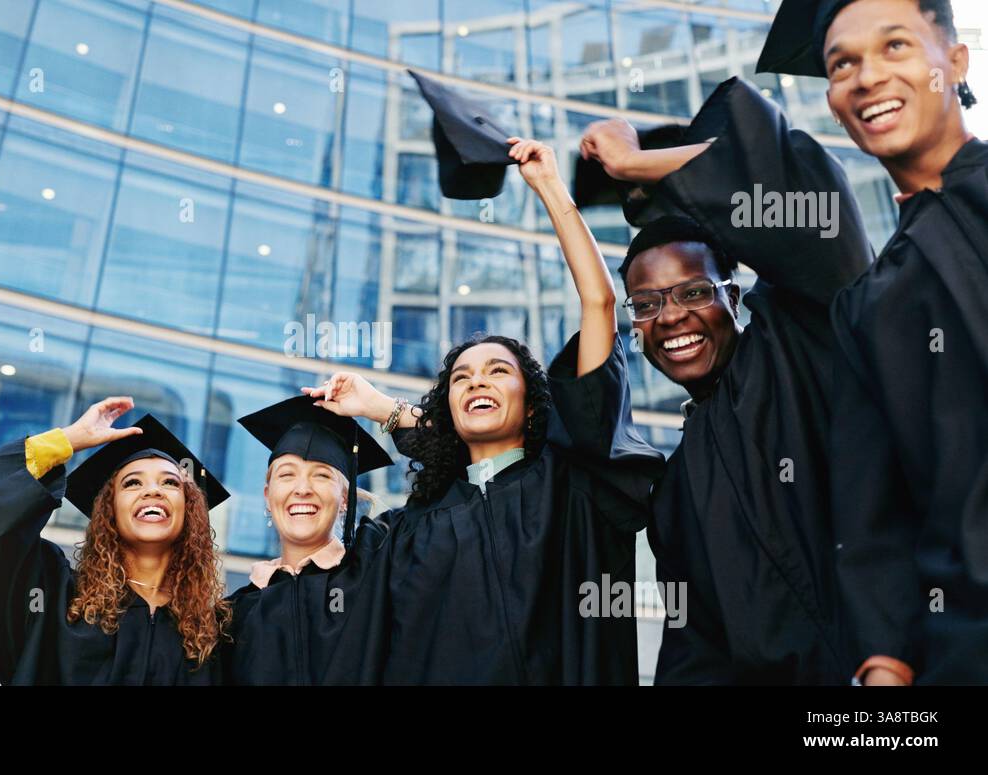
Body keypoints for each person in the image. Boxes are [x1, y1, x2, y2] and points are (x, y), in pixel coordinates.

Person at [304, 132, 665, 684]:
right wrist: (378, 407)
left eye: (499, 371)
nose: (478, 382)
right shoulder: (412, 530)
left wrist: (548, 186)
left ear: (531, 400)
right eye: (462, 377)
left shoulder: (567, 482)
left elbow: (600, 303)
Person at [576, 75, 873, 683]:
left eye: (694, 291)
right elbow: (698, 650)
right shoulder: (677, 489)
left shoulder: (800, 342)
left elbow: (815, 210)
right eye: (648, 303)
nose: (674, 316)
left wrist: (636, 162)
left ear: (735, 296)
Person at [761, 0, 987, 685]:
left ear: (954, 60)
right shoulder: (867, 306)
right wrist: (885, 666)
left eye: (895, 47)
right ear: (832, 101)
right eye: (842, 64)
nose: (865, 77)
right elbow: (873, 518)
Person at [0, 397, 230, 685]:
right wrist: (68, 440)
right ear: (109, 510)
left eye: (170, 482)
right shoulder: (52, 599)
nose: (153, 491)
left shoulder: (214, 633)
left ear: (190, 509)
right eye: (132, 483)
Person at [221, 395, 394, 685]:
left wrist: (385, 409)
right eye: (287, 475)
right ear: (268, 496)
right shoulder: (233, 615)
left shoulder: (378, 571)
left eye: (322, 475)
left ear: (343, 499)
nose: (302, 489)